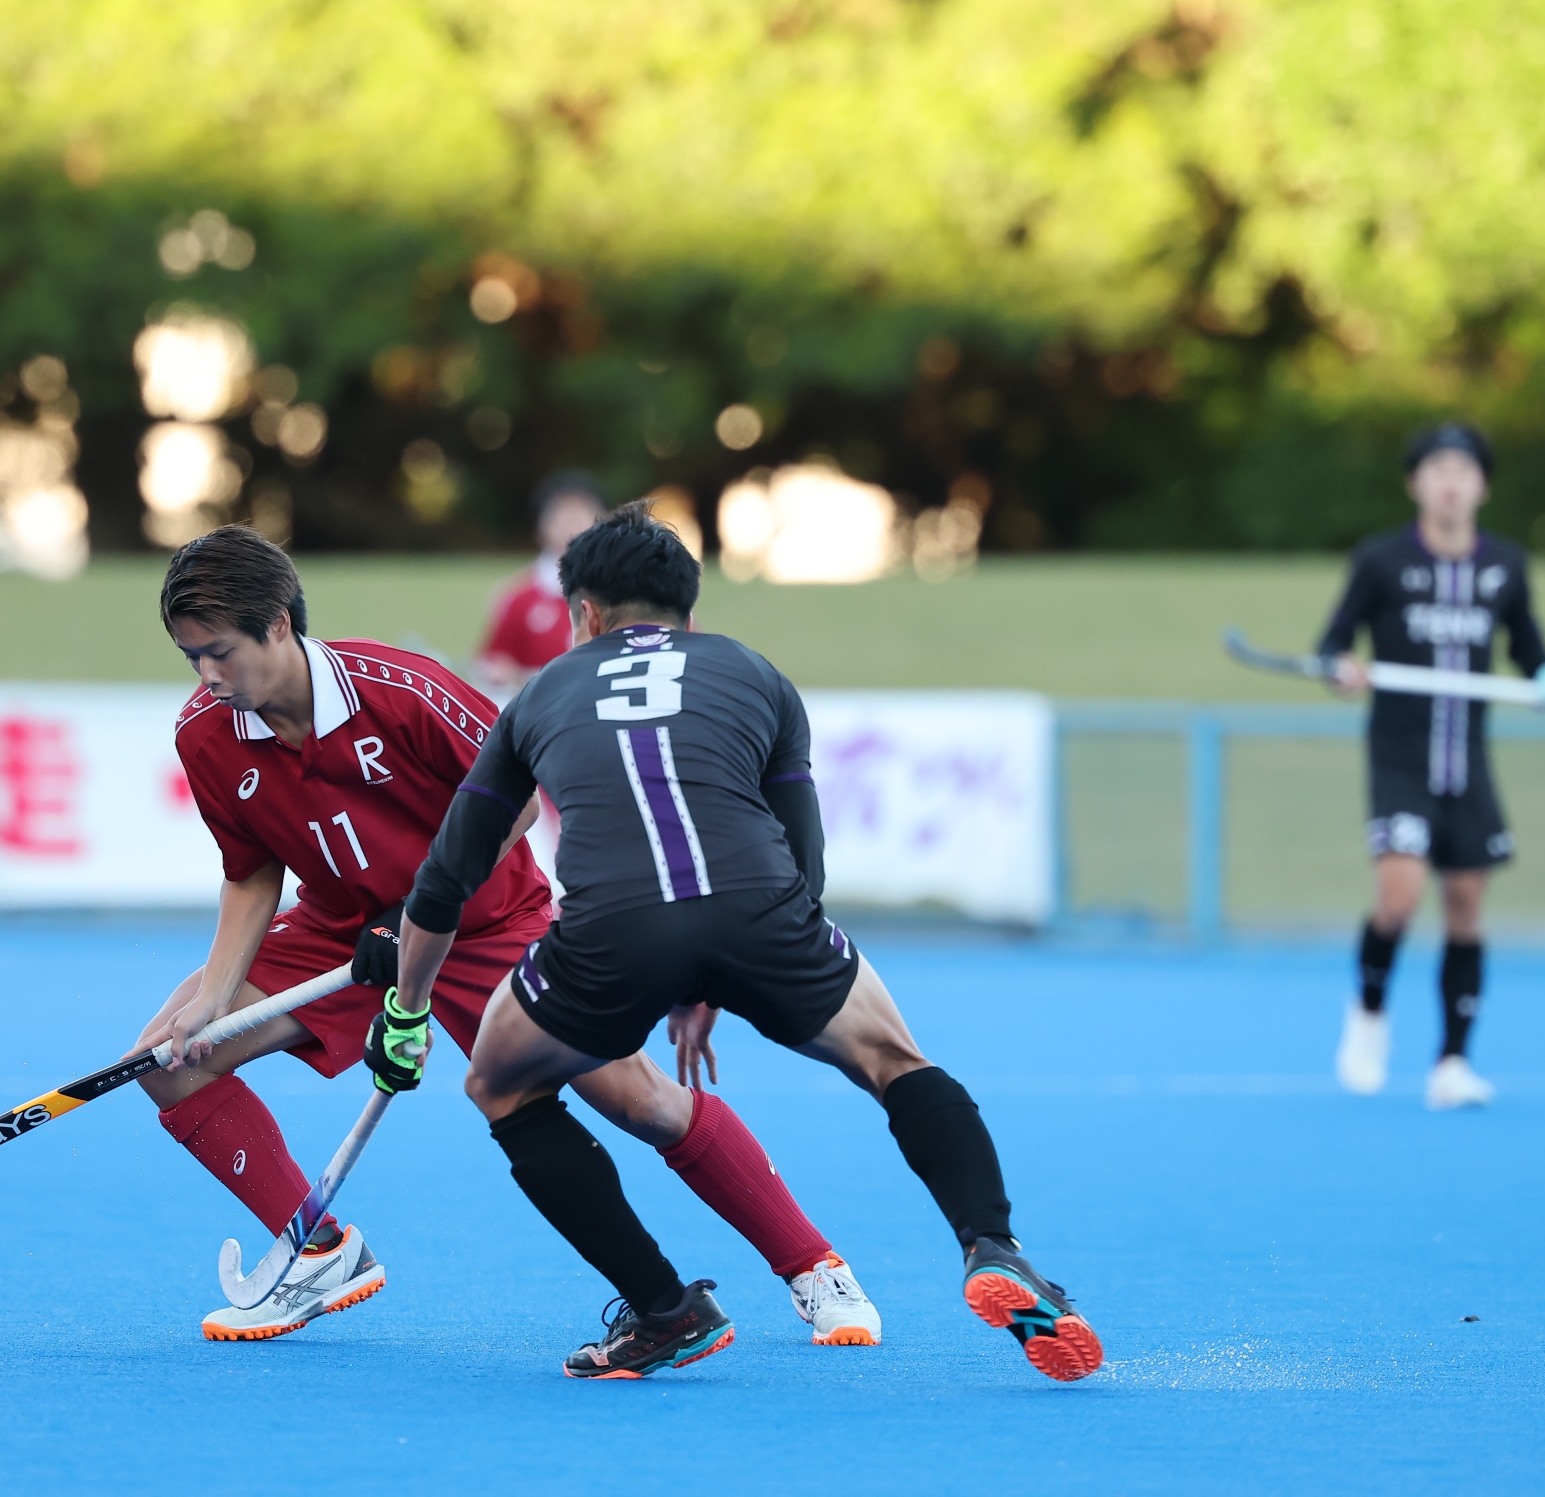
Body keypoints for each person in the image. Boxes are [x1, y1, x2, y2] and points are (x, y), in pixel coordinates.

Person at [368, 503, 1103, 1381]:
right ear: (690, 610)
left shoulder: (538, 696)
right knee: (895, 1061)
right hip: (762, 913)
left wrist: (407, 1011)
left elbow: (446, 881)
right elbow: (804, 857)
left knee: (500, 1086)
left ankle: (663, 1309)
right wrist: (724, 971)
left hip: (610, 933)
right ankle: (992, 1244)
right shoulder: (755, 673)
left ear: (585, 615)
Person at [130, 525, 882, 1346]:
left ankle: (813, 1266)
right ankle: (318, 1253)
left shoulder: (405, 690)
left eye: (220, 653)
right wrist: (213, 997)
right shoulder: (206, 731)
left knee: (636, 1101)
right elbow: (250, 873)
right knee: (170, 1063)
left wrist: (416, 913)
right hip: (338, 931)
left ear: (279, 624)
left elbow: (520, 801)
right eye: (191, 657)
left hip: (488, 923)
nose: (206, 677)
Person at [1317, 423, 1545, 1109]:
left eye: (1463, 470)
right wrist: (1340, 667)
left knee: (1466, 907)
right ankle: (1370, 1014)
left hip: (1468, 764)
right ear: (1415, 483)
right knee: (1399, 898)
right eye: (1436, 469)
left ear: (1483, 486)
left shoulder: (1506, 565)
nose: (1450, 483)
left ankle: (1452, 1063)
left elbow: (1527, 645)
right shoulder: (1381, 561)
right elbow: (1334, 641)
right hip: (1400, 761)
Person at [473, 471, 607, 698]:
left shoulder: (621, 590)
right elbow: (494, 662)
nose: (572, 523)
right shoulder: (518, 595)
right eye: (562, 514)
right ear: (541, 526)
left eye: (581, 513)